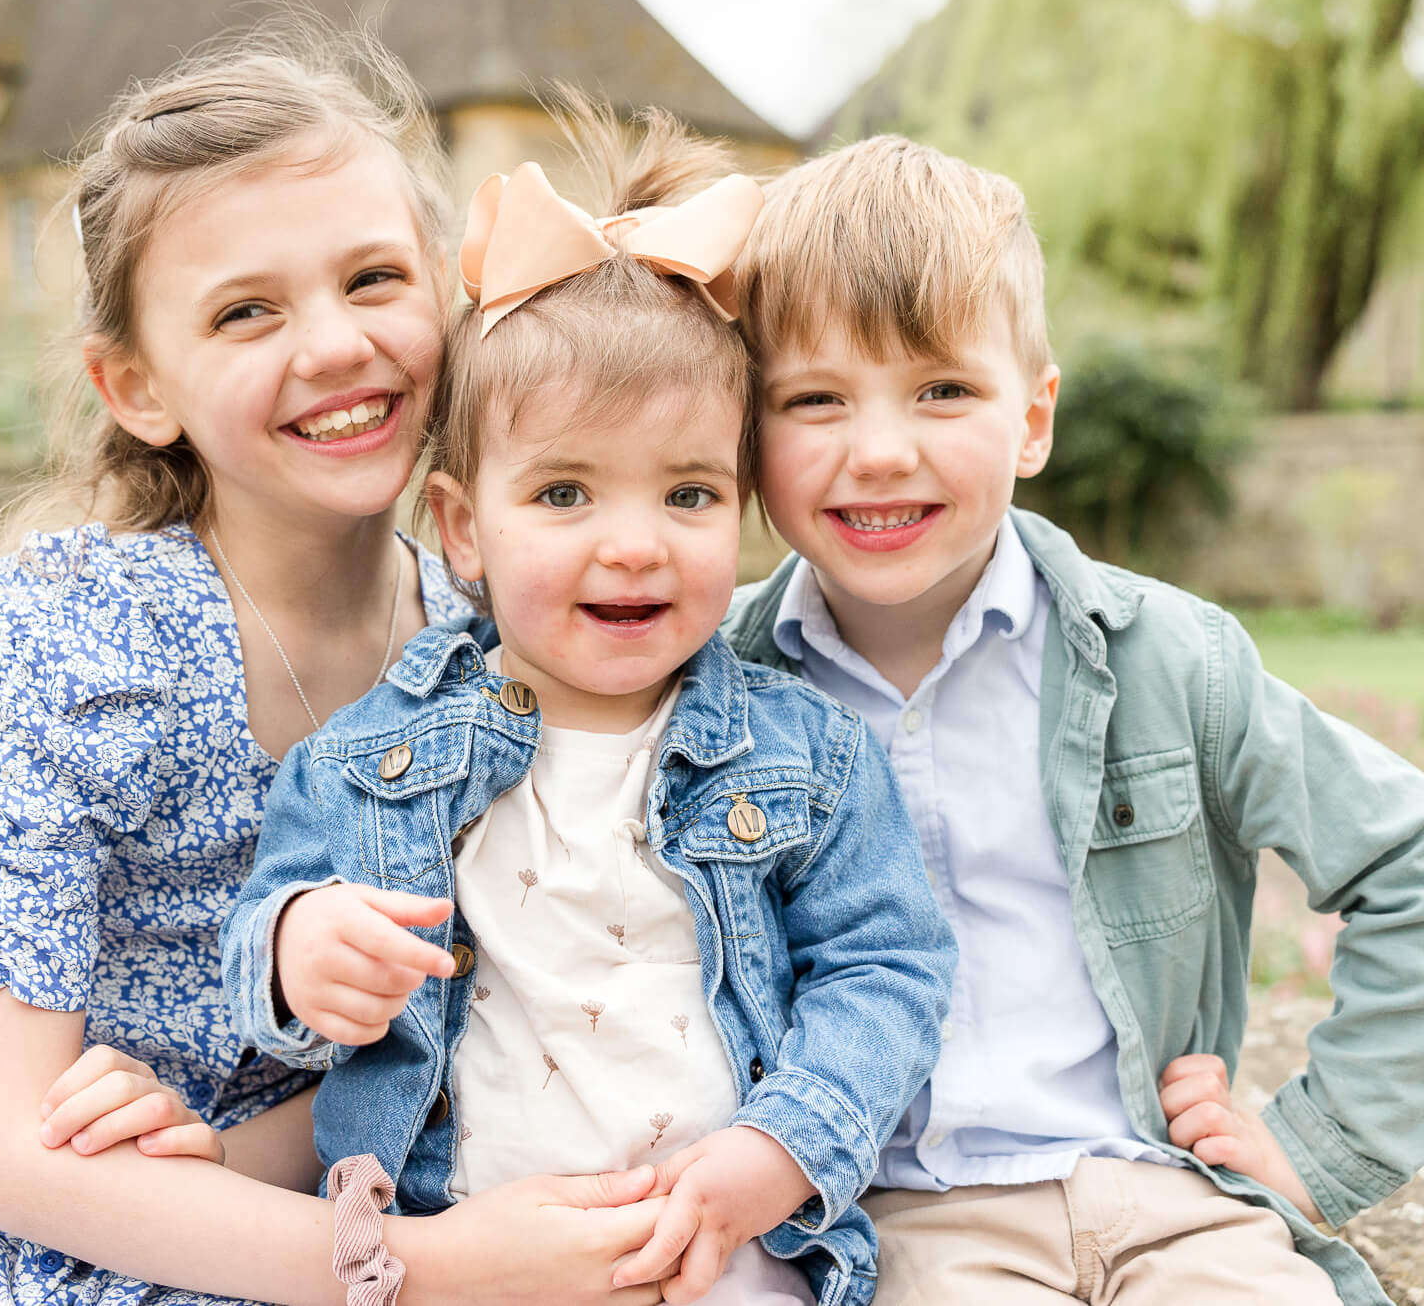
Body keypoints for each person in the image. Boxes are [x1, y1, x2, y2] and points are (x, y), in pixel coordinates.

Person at [0, 25, 692, 1306]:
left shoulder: (497, 631)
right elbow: (7, 1153)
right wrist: (422, 1265)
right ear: (136, 383)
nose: (334, 345)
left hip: (293, 1178)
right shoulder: (75, 632)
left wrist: (242, 1161)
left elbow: (469, 1018)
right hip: (12, 1175)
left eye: (372, 279)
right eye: (247, 311)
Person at [718, 134, 1424, 1306]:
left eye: (943, 389)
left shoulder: (1167, 660)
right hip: (919, 1220)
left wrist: (1315, 1144)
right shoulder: (713, 693)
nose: (880, 451)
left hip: (1171, 1194)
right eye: (815, 399)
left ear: (1032, 418)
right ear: (749, 438)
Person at [221, 107, 954, 1306]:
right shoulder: (369, 760)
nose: (632, 547)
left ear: (743, 510)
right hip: (468, 1242)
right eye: (564, 492)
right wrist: (300, 948)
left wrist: (777, 1155)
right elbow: (265, 936)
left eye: (687, 493)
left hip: (722, 1253)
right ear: (463, 527)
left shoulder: (805, 756)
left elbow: (887, 965)